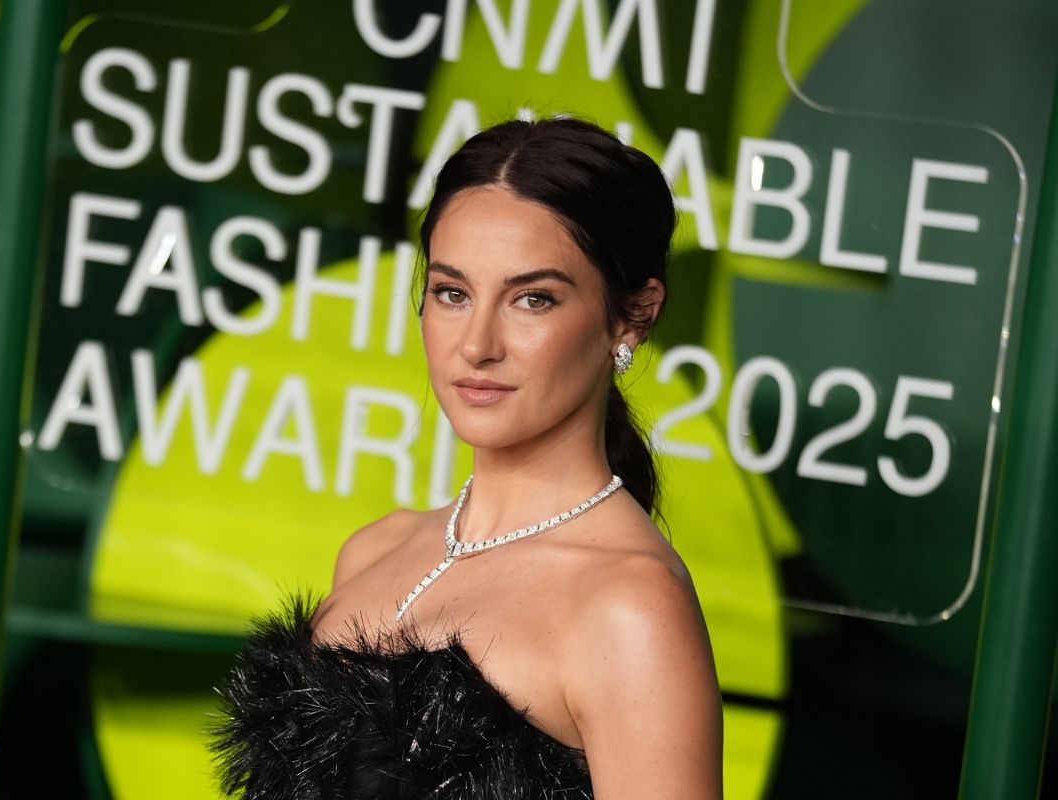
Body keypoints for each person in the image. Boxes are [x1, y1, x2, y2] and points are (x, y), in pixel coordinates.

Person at [212, 117, 723, 799]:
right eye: (452, 292)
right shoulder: (374, 549)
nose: (477, 344)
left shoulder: (630, 609)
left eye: (532, 299)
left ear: (631, 315)